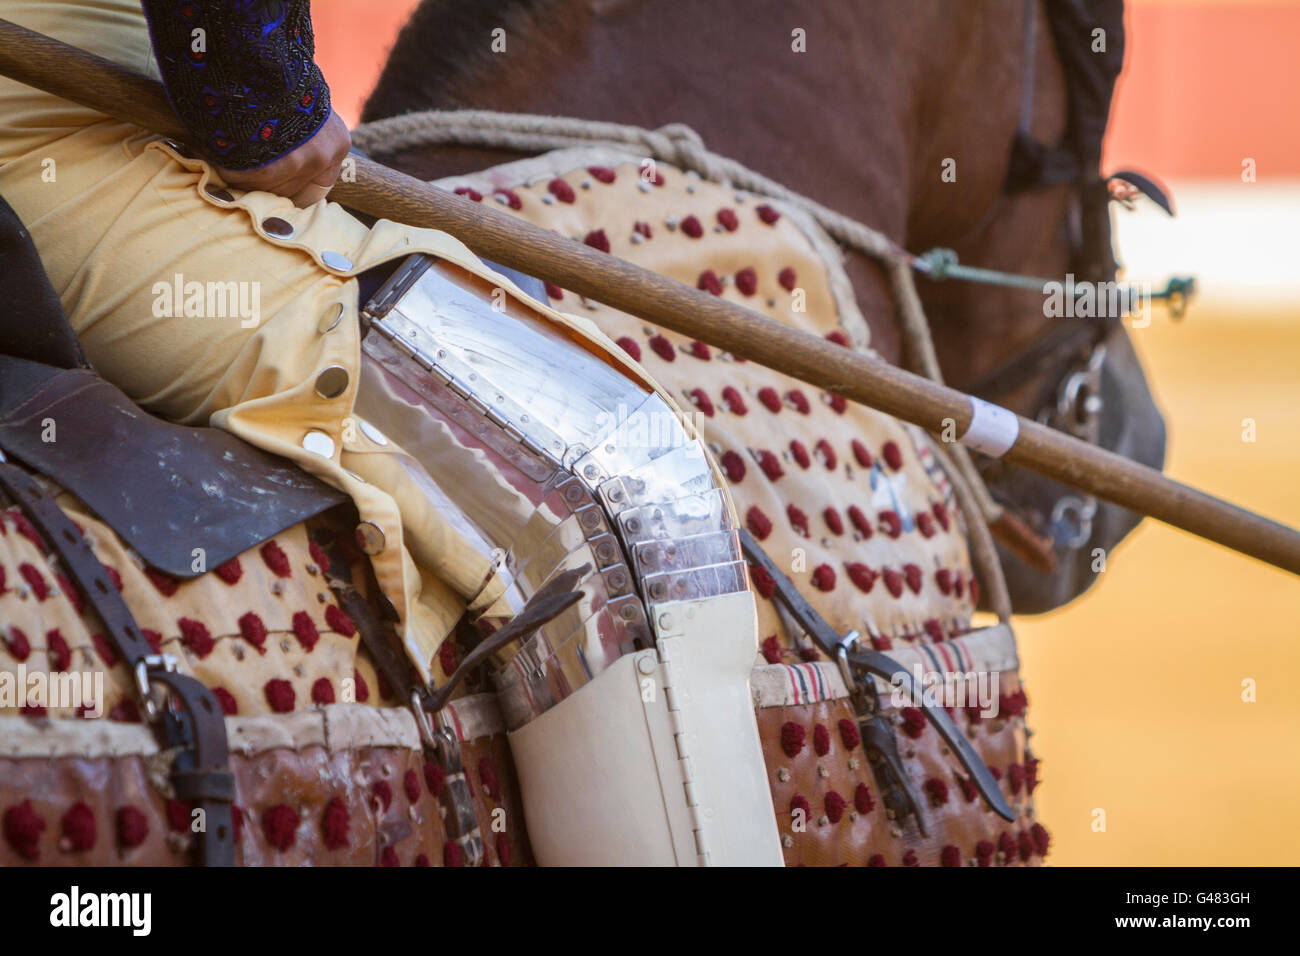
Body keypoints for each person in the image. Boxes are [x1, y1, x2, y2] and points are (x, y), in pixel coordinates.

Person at [0, 0, 685, 684]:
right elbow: (259, 123)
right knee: (629, 486)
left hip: (112, 89)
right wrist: (263, 100)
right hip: (50, 130)